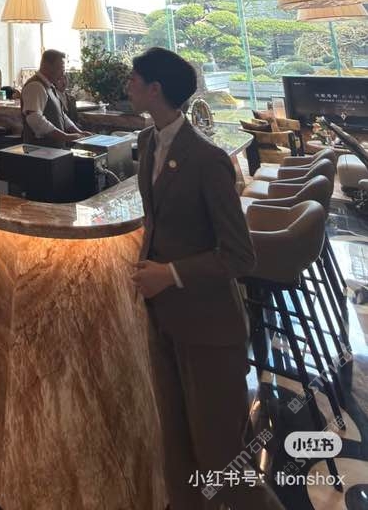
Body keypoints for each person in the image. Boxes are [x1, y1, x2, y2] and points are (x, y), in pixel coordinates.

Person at [128, 47, 281, 510]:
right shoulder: (149, 142)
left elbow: (239, 255)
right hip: (164, 320)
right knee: (177, 448)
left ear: (155, 90)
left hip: (210, 328)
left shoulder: (207, 158)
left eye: (135, 79)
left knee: (223, 459)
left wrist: (170, 273)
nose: (128, 86)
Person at [20, 49, 86, 148]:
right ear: (47, 66)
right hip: (40, 150)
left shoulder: (50, 86)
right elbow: (34, 119)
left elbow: (60, 114)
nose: (63, 74)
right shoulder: (35, 86)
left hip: (53, 150)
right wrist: (65, 136)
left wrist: (78, 132)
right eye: (61, 69)